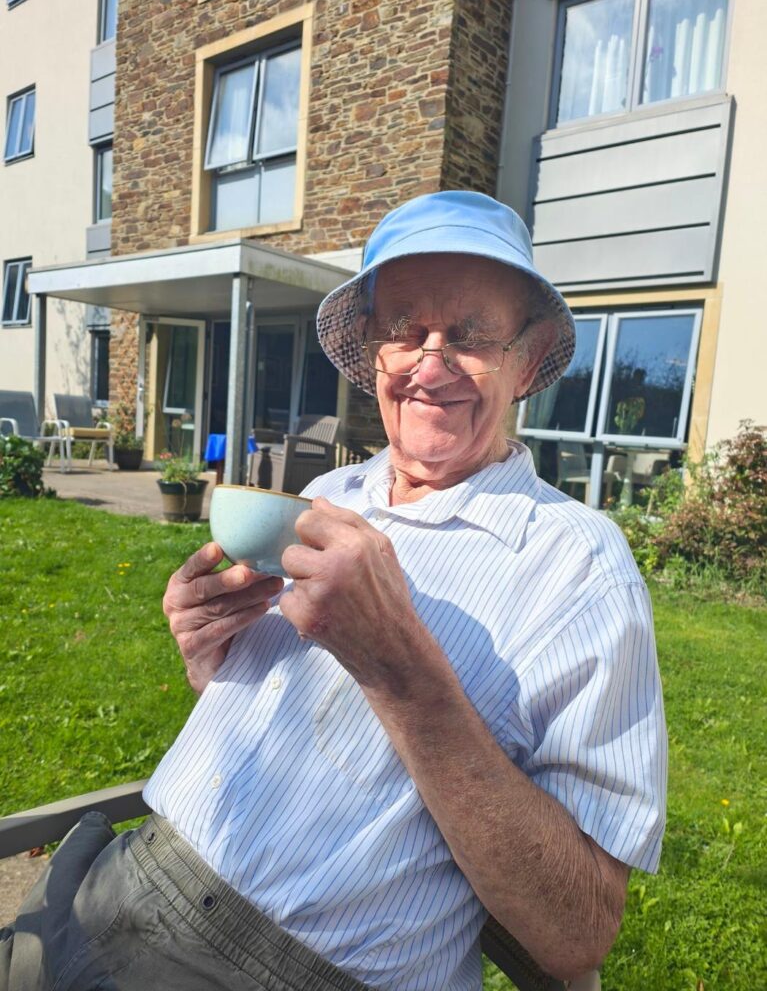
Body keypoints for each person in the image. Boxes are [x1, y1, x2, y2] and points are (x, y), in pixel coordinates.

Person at [1, 191, 667, 991]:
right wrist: (209, 653)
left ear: (527, 360)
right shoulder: (333, 491)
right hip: (118, 877)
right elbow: (276, 718)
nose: (429, 363)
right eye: (402, 331)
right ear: (373, 352)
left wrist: (400, 669)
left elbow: (576, 933)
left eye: (470, 334)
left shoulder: (577, 565)